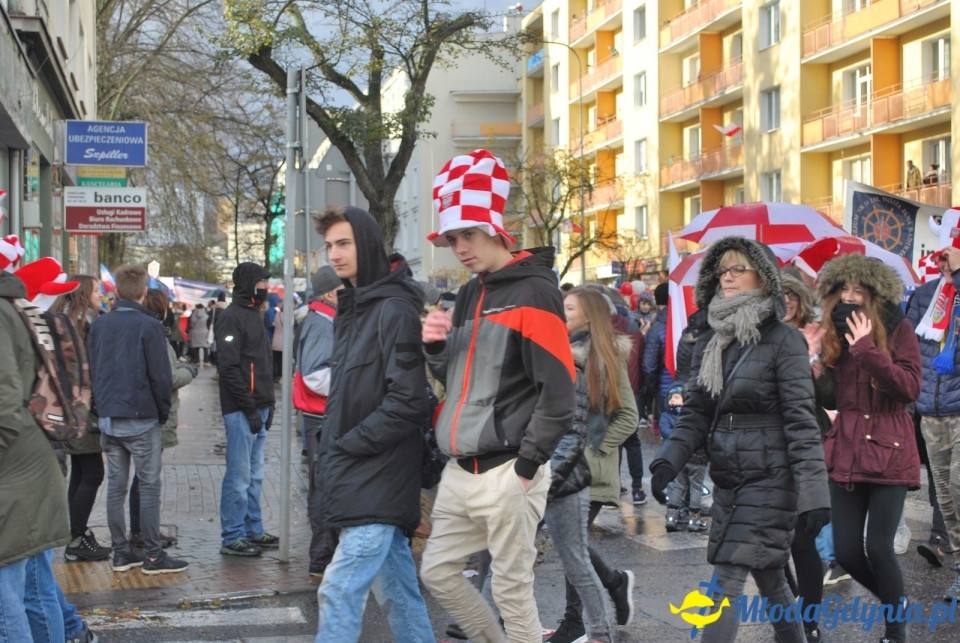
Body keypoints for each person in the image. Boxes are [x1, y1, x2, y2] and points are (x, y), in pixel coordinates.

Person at [420, 149, 576, 643]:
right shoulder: (469, 293)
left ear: (495, 228)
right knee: (438, 572)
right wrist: (435, 346)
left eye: (468, 233)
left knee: (513, 592)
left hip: (510, 470)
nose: (459, 247)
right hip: (461, 468)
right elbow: (455, 376)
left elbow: (559, 393)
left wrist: (527, 468)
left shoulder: (535, 292)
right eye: (453, 237)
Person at [649, 236, 830, 643]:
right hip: (730, 477)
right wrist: (667, 461)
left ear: (762, 279)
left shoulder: (785, 341)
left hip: (772, 478)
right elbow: (697, 411)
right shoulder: (715, 339)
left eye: (737, 270)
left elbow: (802, 422)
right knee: (769, 577)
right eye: (722, 271)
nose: (726, 278)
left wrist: (814, 496)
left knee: (727, 578)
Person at [312, 206, 434, 642]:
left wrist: (347, 445)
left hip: (377, 474)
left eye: (343, 244)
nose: (334, 255)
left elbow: (408, 401)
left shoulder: (392, 310)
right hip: (360, 474)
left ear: (365, 245)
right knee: (399, 594)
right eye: (329, 246)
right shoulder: (356, 308)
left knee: (338, 590)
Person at [815, 253, 921, 643]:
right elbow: (829, 396)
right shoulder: (832, 331)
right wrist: (813, 371)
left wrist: (866, 349)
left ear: (875, 295)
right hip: (845, 450)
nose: (851, 296)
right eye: (844, 289)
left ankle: (896, 630)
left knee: (878, 547)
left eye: (859, 289)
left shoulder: (898, 329)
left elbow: (909, 388)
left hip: (889, 451)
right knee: (844, 551)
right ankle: (896, 603)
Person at [548, 287, 638, 643]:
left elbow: (629, 415)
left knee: (572, 548)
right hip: (561, 465)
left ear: (589, 315)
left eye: (568, 307)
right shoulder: (560, 351)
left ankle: (576, 623)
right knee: (574, 544)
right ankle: (615, 583)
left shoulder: (604, 356)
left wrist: (595, 450)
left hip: (588, 469)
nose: (561, 311)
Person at [88, 264, 186, 575]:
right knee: (148, 487)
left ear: (115, 290)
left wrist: (100, 407)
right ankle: (154, 556)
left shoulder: (100, 325)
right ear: (144, 291)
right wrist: (162, 412)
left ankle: (120, 552)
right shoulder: (149, 326)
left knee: (116, 487)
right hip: (141, 417)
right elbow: (160, 376)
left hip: (109, 417)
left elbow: (94, 370)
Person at [0, 260, 72, 640]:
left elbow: (4, 401)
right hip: (27, 464)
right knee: (28, 589)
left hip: (14, 471)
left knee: (9, 601)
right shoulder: (14, 307)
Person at [543, 329, 613, 643]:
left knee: (576, 558)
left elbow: (576, 435)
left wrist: (599, 449)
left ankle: (597, 631)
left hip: (567, 479)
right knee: (505, 561)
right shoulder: (527, 365)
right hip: (533, 475)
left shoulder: (576, 369)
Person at [215, 262, 278, 557]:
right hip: (242, 409)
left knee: (254, 475)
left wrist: (269, 403)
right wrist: (250, 406)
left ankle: (253, 529)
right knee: (239, 476)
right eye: (262, 280)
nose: (266, 286)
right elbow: (229, 367)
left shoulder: (256, 314)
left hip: (258, 406)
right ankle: (233, 535)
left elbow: (261, 364)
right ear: (249, 284)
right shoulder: (231, 318)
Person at [907, 247, 960, 595]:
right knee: (946, 498)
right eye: (941, 257)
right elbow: (906, 345)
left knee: (958, 485)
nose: (944, 263)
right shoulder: (927, 294)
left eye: (952, 256)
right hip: (932, 410)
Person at [128, 289, 197, 549]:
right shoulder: (156, 334)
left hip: (138, 411)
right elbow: (166, 378)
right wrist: (189, 371)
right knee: (146, 479)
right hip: (155, 415)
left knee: (140, 478)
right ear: (163, 309)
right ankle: (144, 532)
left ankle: (143, 530)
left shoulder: (136, 331)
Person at [51, 275, 112, 563]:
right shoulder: (80, 326)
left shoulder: (65, 321)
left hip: (73, 407)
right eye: (97, 289)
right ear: (83, 293)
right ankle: (75, 538)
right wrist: (97, 408)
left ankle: (77, 532)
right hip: (81, 409)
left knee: (81, 470)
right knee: (93, 473)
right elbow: (88, 372)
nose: (101, 294)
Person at [294, 265, 342, 577]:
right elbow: (314, 375)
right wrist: (351, 383)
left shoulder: (324, 319)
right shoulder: (322, 323)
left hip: (321, 416)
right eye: (342, 289)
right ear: (328, 293)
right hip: (321, 417)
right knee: (324, 488)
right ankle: (322, 559)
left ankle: (326, 558)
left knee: (325, 486)